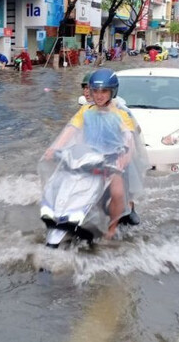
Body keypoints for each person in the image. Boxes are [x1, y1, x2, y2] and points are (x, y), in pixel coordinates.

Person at [44, 69, 146, 239]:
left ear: (112, 92)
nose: (99, 95)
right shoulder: (85, 111)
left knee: (117, 193)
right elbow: (70, 129)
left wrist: (126, 155)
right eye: (96, 91)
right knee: (66, 184)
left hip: (113, 160)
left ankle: (112, 228)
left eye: (104, 91)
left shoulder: (121, 113)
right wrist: (54, 148)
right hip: (89, 157)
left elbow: (129, 137)